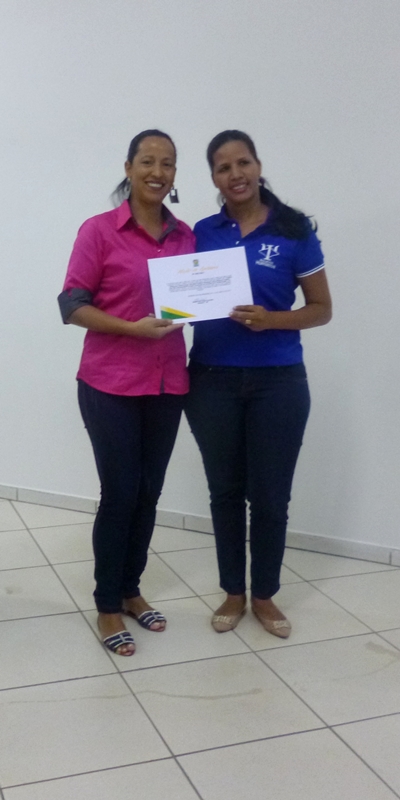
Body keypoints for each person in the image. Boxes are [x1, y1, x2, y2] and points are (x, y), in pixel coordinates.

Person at [185, 130, 332, 638]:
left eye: (242, 162)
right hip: (211, 380)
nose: (235, 174)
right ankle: (233, 591)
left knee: (270, 497)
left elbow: (321, 309)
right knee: (225, 493)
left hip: (278, 382)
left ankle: (265, 595)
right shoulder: (201, 232)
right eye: (223, 167)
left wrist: (272, 321)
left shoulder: (293, 229)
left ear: (258, 165)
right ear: (213, 178)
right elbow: (182, 293)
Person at [58, 129, 195, 656]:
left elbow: (198, 297)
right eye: (147, 161)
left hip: (167, 383)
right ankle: (107, 604)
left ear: (175, 174)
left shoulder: (186, 237)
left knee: (148, 493)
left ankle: (132, 589)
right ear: (129, 167)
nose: (157, 172)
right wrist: (131, 329)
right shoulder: (98, 231)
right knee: (120, 494)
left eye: (168, 163)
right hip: (109, 383)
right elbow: (72, 305)